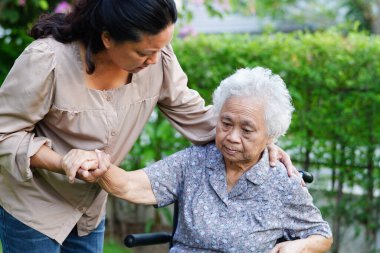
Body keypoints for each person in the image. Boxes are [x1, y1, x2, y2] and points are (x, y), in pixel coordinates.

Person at [0, 1, 294, 252]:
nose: (155, 59)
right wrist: (62, 161)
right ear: (107, 38)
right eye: (143, 52)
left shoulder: (158, 59)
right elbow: (4, 134)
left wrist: (257, 142)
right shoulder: (47, 61)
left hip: (87, 211)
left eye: (162, 47)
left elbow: (196, 117)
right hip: (33, 206)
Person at [86, 67, 333, 253]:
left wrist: (299, 246)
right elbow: (131, 185)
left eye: (246, 130)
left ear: (271, 136)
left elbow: (322, 235)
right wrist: (100, 167)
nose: (232, 137)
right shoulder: (194, 161)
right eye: (225, 123)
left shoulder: (282, 182)